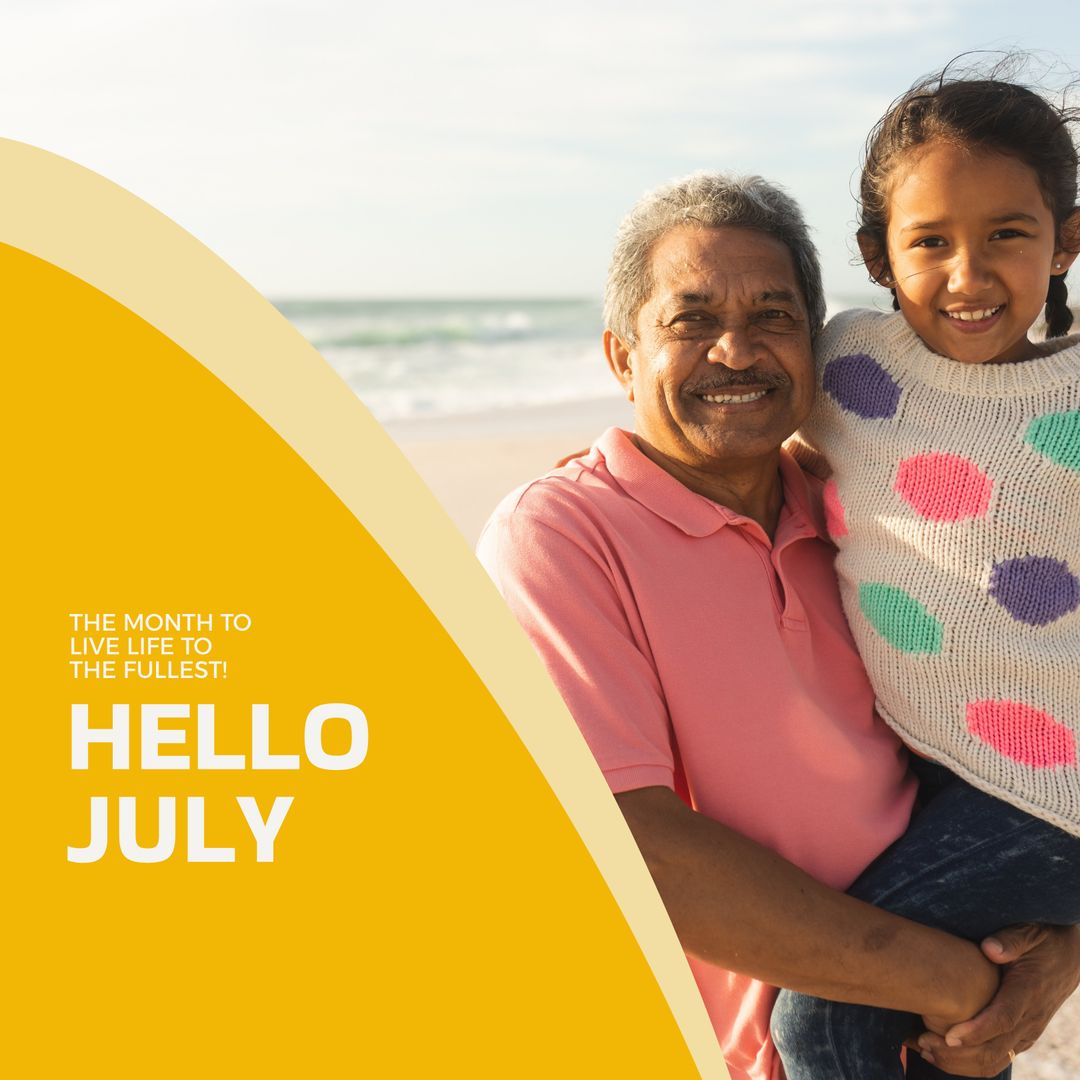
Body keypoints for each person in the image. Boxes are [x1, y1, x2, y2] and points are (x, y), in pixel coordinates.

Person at [477, 171, 1080, 1080]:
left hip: (937, 1038)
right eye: (690, 321)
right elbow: (624, 842)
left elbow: (1007, 734)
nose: (736, 351)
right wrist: (953, 981)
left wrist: (1054, 956)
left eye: (773, 317)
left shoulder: (861, 508)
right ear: (620, 356)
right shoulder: (560, 533)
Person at [770, 67, 1080, 1079]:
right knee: (944, 1042)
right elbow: (740, 429)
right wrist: (612, 471)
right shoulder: (852, 370)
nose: (968, 274)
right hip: (927, 775)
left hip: (1052, 793)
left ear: (1066, 240)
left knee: (819, 1019)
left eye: (1007, 234)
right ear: (876, 255)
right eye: (930, 240)